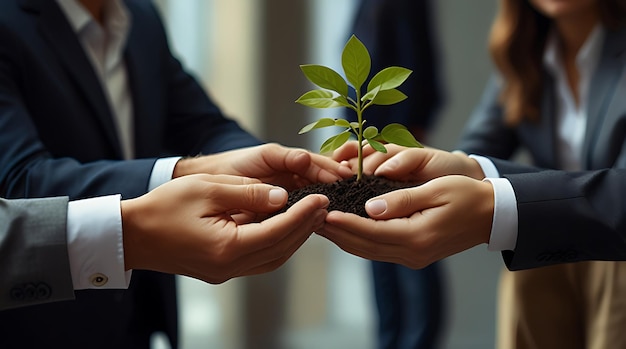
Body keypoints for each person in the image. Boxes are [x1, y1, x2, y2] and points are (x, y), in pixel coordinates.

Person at [0, 0, 351, 348]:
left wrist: (279, 166)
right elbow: (19, 183)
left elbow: (203, 125)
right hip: (42, 317)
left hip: (137, 318)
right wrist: (187, 173)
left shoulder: (139, 16)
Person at [455, 0, 626, 348]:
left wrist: (501, 200)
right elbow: (474, 152)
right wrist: (401, 171)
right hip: (552, 253)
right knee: (530, 253)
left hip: (619, 252)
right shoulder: (523, 53)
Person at [1, 174, 329, 311]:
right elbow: (18, 176)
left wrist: (206, 171)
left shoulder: (139, 25)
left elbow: (193, 117)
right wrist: (131, 231)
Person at [319, 143, 626, 272]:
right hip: (547, 266)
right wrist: (471, 171)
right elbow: (483, 141)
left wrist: (497, 206)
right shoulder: (528, 50)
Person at [347, 1, 445, 348]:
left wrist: (406, 134)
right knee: (379, 253)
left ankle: (414, 341)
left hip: (391, 141)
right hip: (367, 143)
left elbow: (418, 64)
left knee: (410, 247)